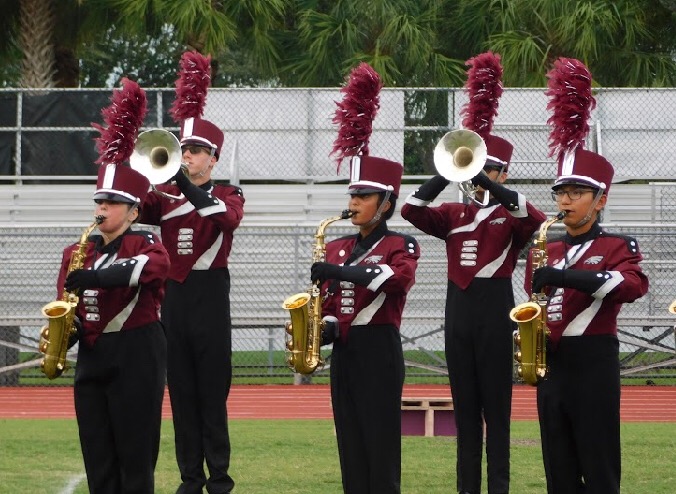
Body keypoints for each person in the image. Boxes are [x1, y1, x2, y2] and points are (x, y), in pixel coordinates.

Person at [401, 52, 546, 494]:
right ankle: (467, 488)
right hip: (459, 309)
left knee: (496, 410)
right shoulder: (453, 213)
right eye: (482, 168)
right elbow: (411, 209)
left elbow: (535, 216)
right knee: (465, 410)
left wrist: (494, 184)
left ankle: (498, 486)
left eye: (494, 169)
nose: (483, 176)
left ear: (503, 171)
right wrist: (447, 172)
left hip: (496, 307)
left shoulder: (510, 214)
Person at [527, 57, 649, 494]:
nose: (566, 201)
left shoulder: (617, 244)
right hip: (551, 363)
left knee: (598, 467)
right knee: (557, 470)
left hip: (595, 360)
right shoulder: (548, 246)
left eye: (577, 193)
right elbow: (532, 303)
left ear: (599, 200)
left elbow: (630, 286)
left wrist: (566, 280)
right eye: (561, 192)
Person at [55, 78, 171, 494]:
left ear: (134, 209)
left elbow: (149, 270)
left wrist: (98, 277)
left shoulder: (147, 242)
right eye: (99, 202)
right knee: (97, 454)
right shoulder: (77, 251)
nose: (102, 209)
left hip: (138, 350)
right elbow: (66, 302)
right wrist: (59, 338)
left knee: (136, 456)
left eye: (112, 203)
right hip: (92, 354)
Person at [311, 62, 420, 494]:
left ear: (386, 203)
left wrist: (337, 271)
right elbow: (337, 305)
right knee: (350, 443)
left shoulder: (402, 244)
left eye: (363, 195)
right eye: (352, 194)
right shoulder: (336, 244)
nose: (354, 202)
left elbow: (394, 280)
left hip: (379, 347)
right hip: (347, 351)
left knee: (380, 445)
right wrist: (320, 327)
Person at [139, 51, 244, 494]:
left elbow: (224, 219)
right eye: (184, 150)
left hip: (210, 296)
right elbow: (128, 205)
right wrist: (125, 157)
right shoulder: (162, 197)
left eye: (196, 151)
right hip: (174, 300)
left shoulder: (228, 192)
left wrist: (181, 181)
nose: (187, 157)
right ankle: (189, 477)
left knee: (211, 394)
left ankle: (219, 476)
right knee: (180, 393)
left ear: (213, 159)